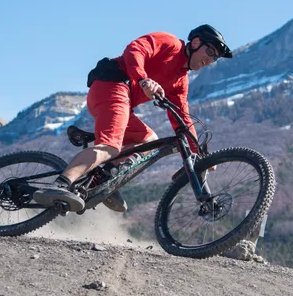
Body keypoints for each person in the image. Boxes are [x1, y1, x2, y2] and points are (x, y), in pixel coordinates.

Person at [33, 24, 232, 213]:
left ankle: (100, 180)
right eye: (211, 52)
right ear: (196, 43)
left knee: (150, 141)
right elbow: (135, 49)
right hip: (112, 85)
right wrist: (143, 79)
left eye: (215, 58)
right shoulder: (171, 43)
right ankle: (61, 184)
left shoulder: (181, 80)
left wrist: (199, 154)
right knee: (110, 146)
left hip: (122, 100)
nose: (211, 60)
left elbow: (181, 118)